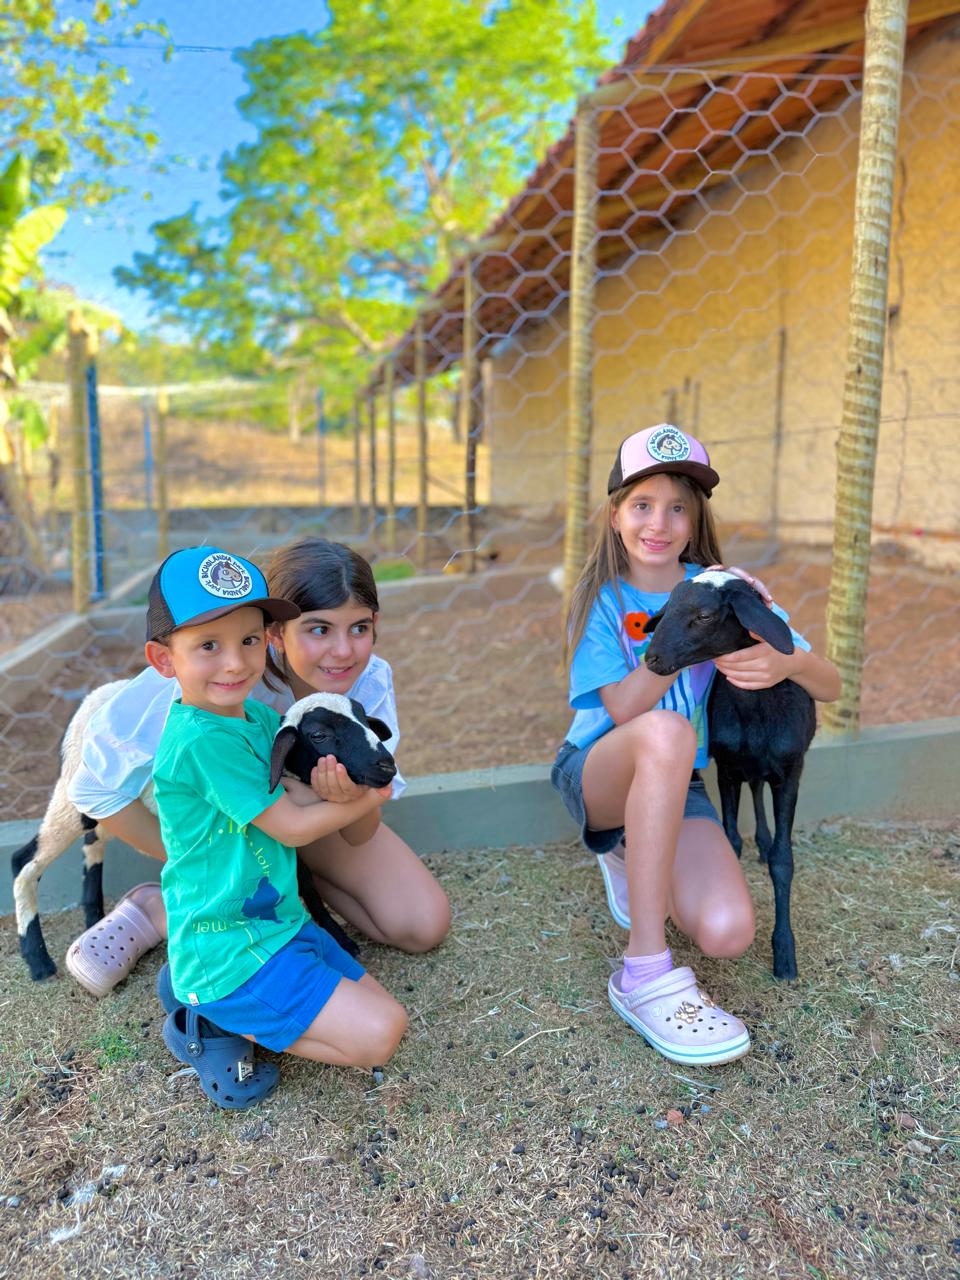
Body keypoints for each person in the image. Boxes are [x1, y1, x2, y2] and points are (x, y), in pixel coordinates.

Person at [551, 424, 840, 1067]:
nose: (660, 522)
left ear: (696, 519)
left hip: (678, 784)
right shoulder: (605, 601)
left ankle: (635, 846)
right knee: (666, 729)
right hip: (598, 771)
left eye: (678, 507)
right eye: (642, 504)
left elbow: (831, 684)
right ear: (615, 515)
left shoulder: (724, 591)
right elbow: (624, 708)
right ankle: (644, 971)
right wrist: (689, 626)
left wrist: (784, 661)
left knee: (728, 932)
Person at [65, 538, 450, 994]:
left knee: (422, 924)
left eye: (359, 628)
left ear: (376, 625)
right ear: (275, 633)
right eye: (319, 629)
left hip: (302, 820)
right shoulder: (217, 676)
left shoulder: (368, 683)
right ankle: (162, 908)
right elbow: (92, 788)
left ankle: (284, 891)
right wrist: (196, 868)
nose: (343, 651)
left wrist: (356, 796)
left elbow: (359, 833)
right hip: (219, 835)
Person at [145, 544, 408, 1107]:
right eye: (208, 646)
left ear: (266, 640)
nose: (235, 663)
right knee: (382, 1035)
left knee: (382, 1007)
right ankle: (208, 1018)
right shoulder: (199, 741)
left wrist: (337, 784)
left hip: (278, 923)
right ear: (164, 660)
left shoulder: (260, 719)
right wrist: (370, 794)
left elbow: (297, 788)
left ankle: (194, 986)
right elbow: (290, 826)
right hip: (231, 942)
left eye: (247, 640)